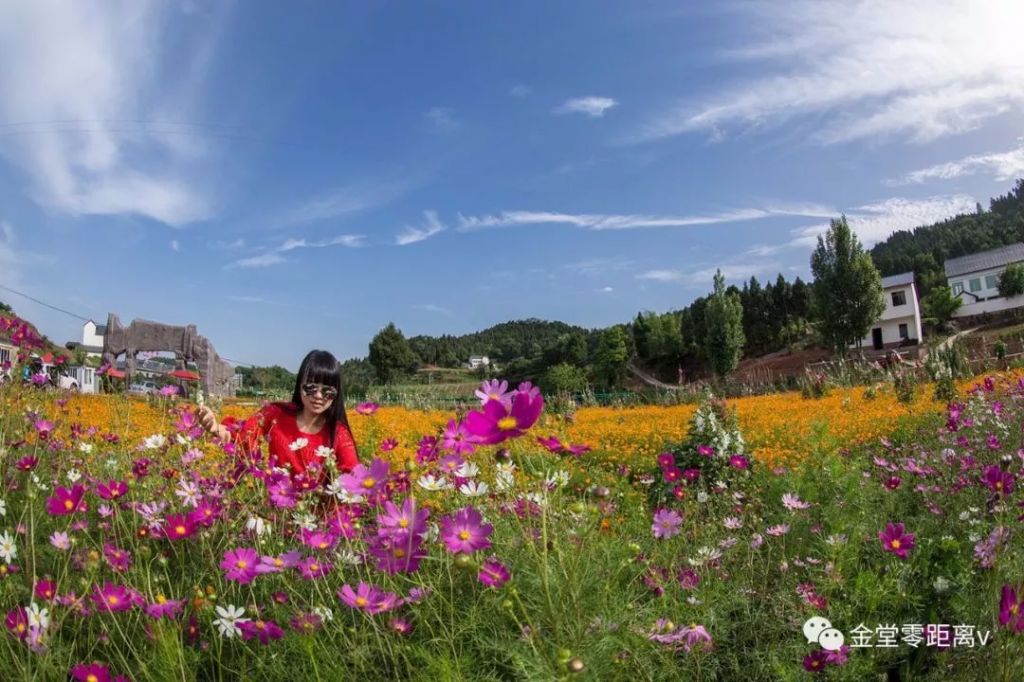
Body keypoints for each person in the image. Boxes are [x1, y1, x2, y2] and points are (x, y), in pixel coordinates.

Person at [196, 349, 359, 478]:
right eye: (311, 388)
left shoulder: (339, 434)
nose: (318, 396)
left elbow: (353, 477)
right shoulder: (275, 414)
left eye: (327, 391)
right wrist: (215, 427)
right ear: (300, 385)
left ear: (336, 394)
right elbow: (242, 437)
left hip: (319, 516)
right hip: (276, 512)